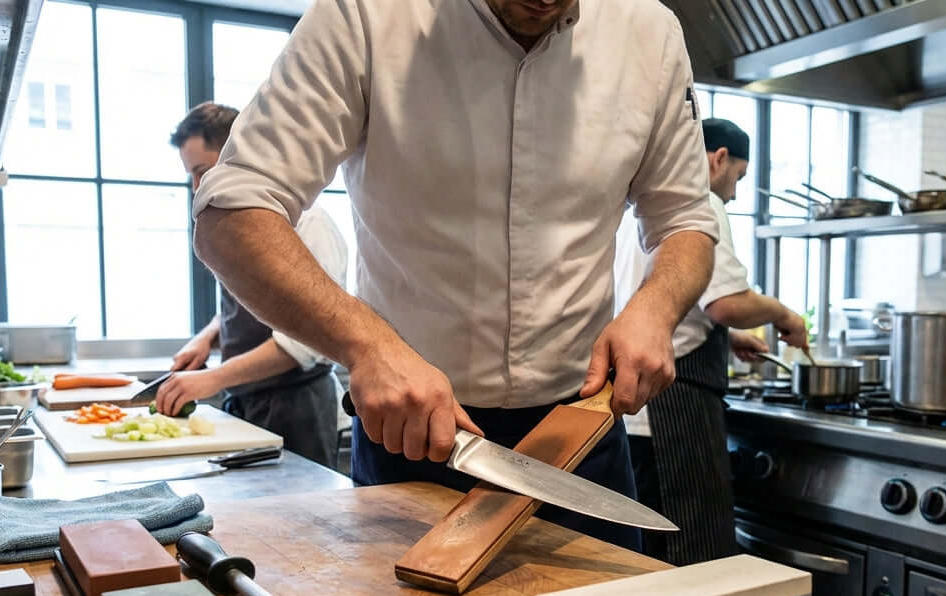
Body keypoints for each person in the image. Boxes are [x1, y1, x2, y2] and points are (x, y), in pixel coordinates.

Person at [189, 0, 717, 549]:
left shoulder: (649, 32)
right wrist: (367, 345)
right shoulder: (365, 16)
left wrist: (656, 308)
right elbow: (231, 213)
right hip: (414, 437)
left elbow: (684, 218)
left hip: (580, 440)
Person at [615, 117, 807, 566]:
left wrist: (724, 335)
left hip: (630, 414)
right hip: (670, 413)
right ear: (719, 158)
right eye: (738, 177)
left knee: (644, 555)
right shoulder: (698, 202)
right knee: (689, 553)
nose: (735, 193)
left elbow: (662, 300)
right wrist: (783, 314)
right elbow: (726, 303)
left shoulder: (637, 206)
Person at [162, 102, 348, 468]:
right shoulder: (242, 227)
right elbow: (256, 302)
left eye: (203, 171)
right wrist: (208, 337)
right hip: (249, 402)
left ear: (236, 151)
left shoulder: (310, 224)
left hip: (298, 407)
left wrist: (213, 379)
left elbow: (306, 341)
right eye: (191, 177)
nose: (198, 187)